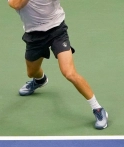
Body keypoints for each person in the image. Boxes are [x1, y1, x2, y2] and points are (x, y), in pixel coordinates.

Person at [8, 0, 108, 130]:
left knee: (69, 73)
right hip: (34, 36)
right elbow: (16, 4)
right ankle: (40, 80)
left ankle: (98, 109)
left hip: (57, 31)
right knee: (32, 72)